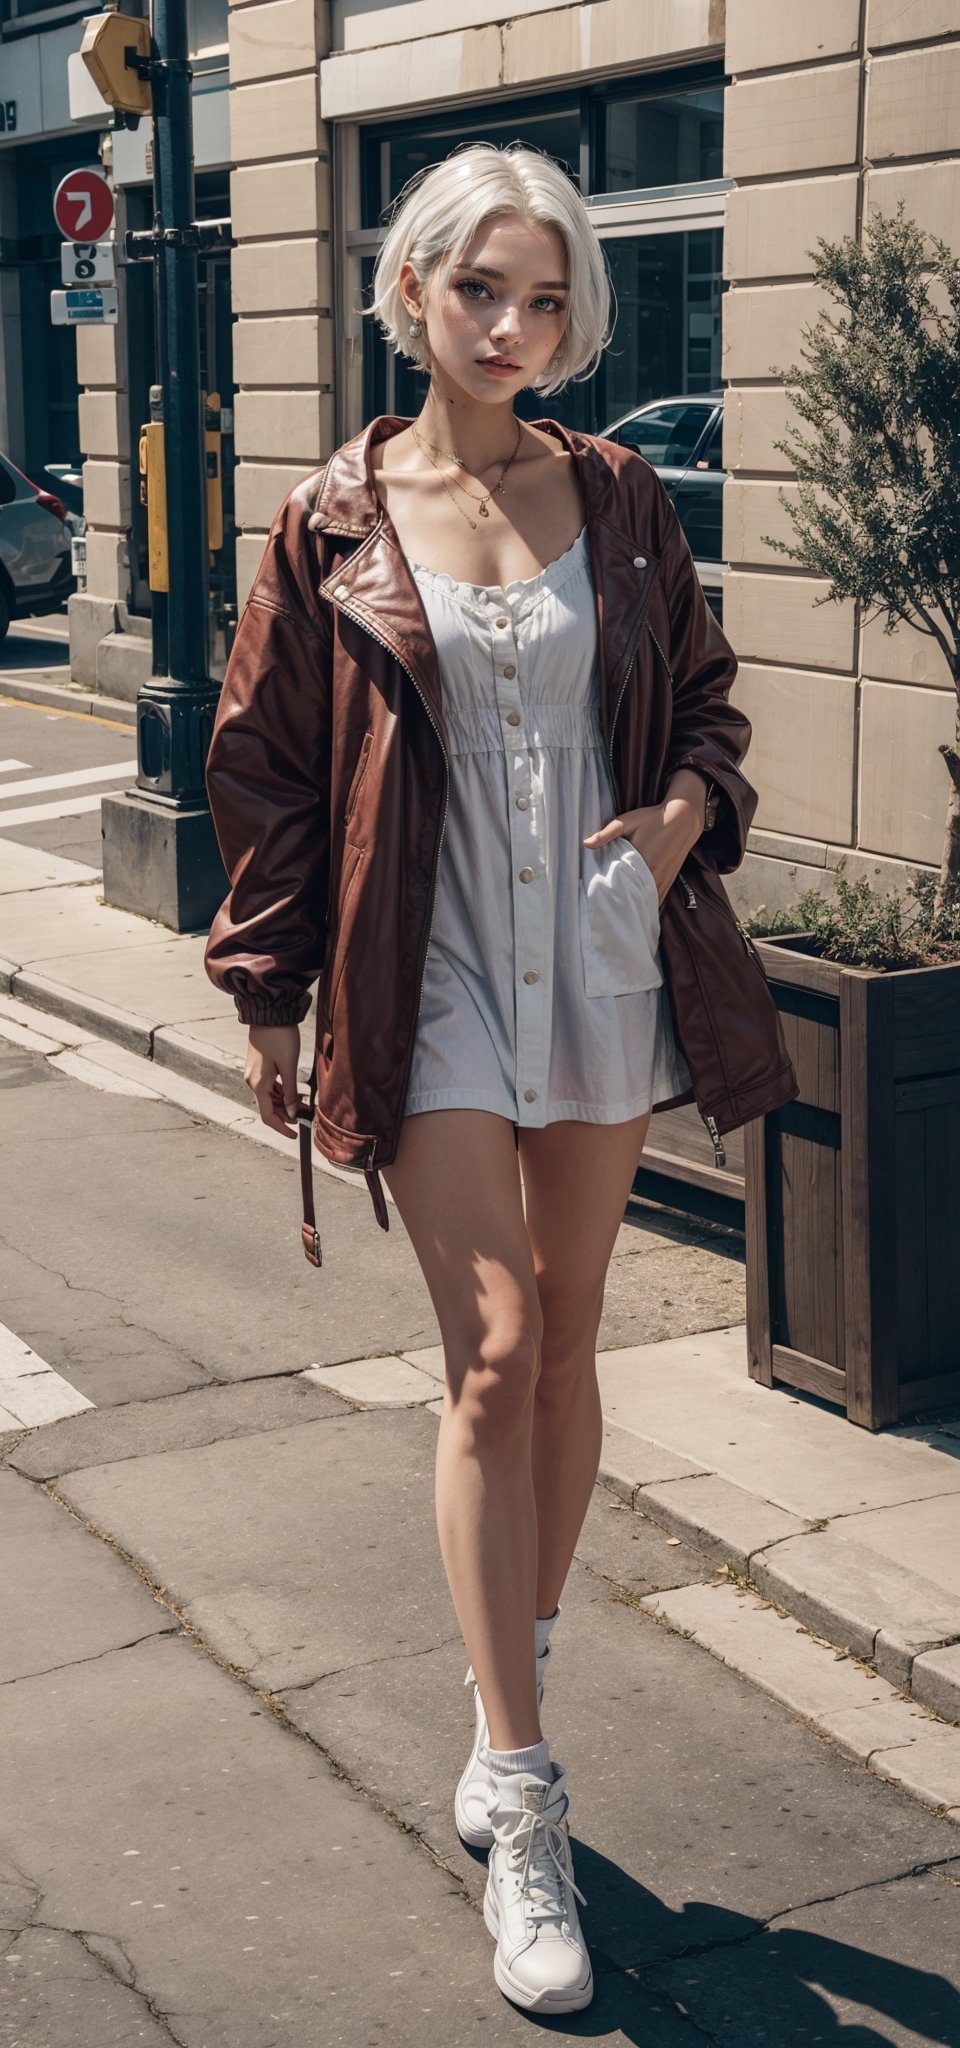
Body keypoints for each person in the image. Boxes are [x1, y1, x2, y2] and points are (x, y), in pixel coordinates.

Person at [203, 142, 798, 2017]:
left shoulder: (619, 495)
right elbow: (269, 767)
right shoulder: (326, 517)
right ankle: (527, 1808)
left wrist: (692, 803)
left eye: (547, 299)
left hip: (600, 963)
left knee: (575, 1341)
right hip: (427, 971)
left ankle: (494, 1683)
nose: (516, 329)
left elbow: (706, 700)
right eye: (484, 292)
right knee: (493, 1344)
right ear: (414, 291)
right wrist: (268, 993)